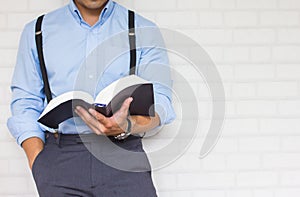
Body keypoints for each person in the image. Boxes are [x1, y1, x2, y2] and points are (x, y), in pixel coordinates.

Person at [7, 0, 176, 196]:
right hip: (60, 159)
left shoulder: (143, 29)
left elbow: (161, 101)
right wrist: (37, 160)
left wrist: (128, 125)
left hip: (124, 155)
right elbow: (25, 102)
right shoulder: (37, 30)